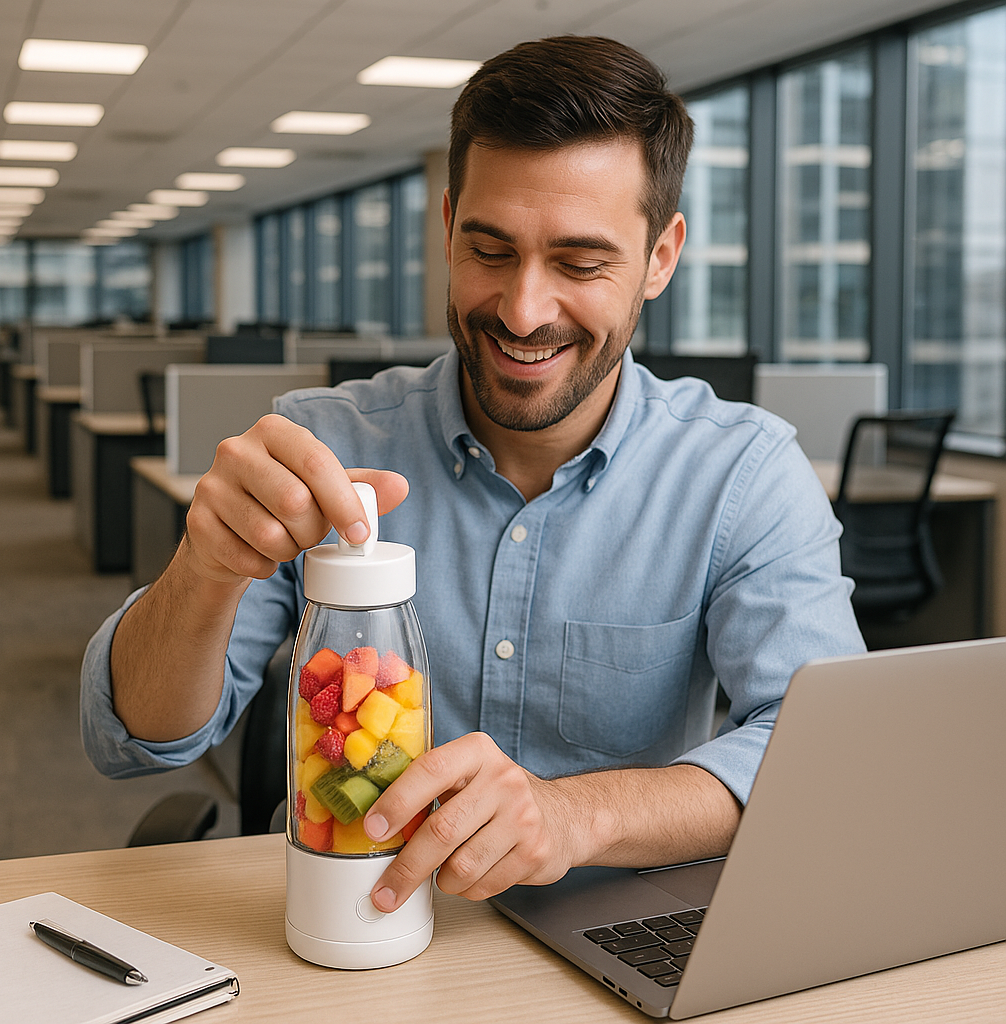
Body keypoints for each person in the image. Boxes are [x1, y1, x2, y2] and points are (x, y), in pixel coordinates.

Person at [81, 35, 864, 914]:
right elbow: (139, 740)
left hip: (604, 928)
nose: (524, 311)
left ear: (661, 258)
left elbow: (823, 753)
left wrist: (577, 816)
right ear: (448, 228)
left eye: (579, 262)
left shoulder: (741, 474)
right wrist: (203, 570)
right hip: (345, 915)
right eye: (491, 251)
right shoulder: (321, 445)